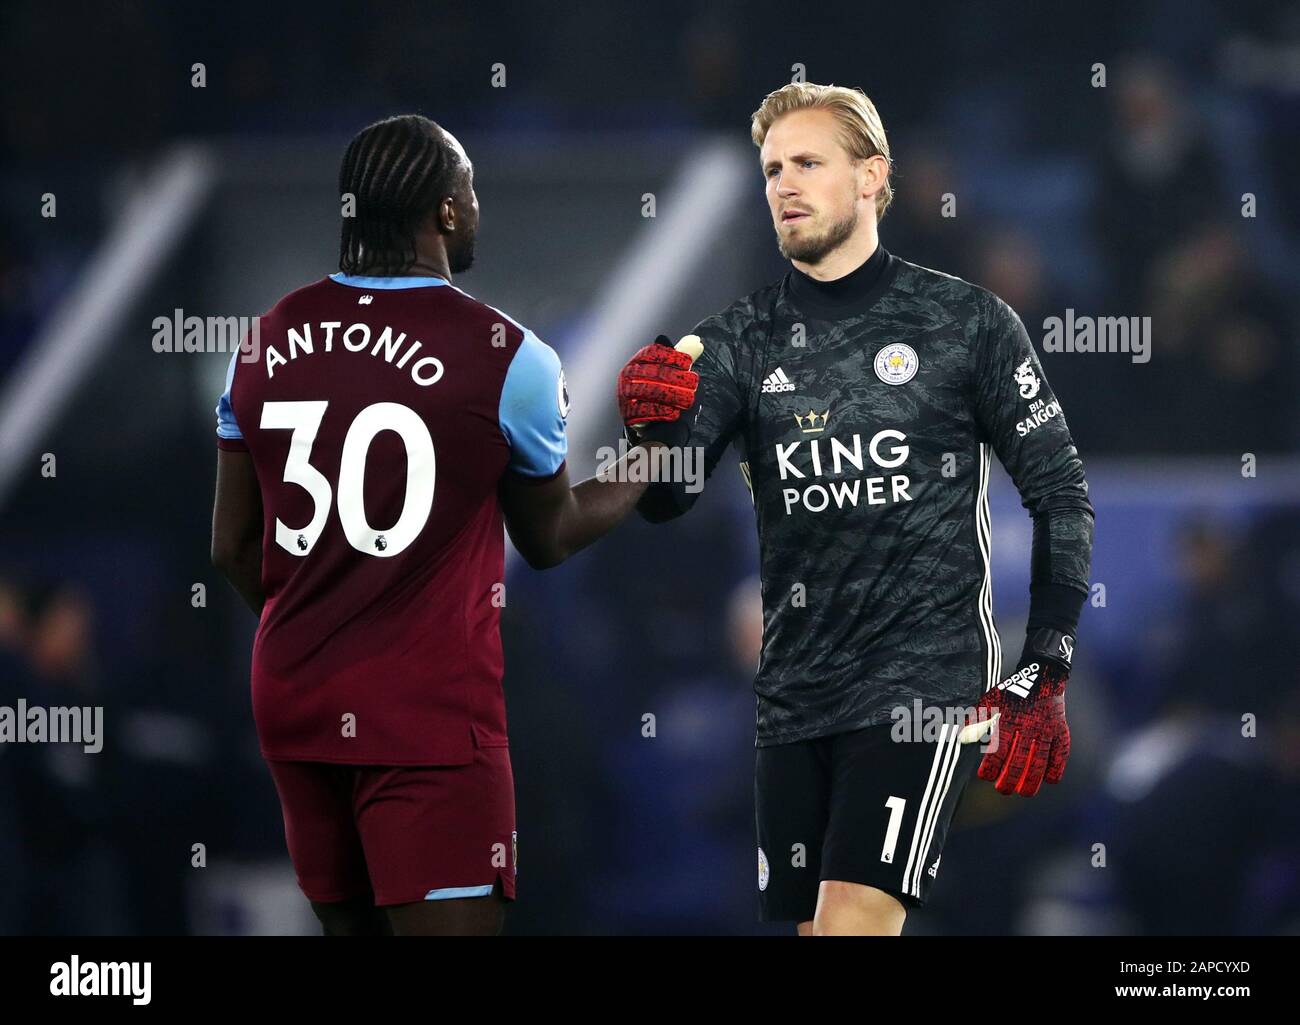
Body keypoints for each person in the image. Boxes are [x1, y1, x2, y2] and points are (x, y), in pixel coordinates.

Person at [616, 82, 1094, 935]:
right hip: (794, 692)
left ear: (872, 178)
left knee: (850, 925)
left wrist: (1044, 667)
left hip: (920, 685)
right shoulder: (737, 340)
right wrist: (651, 429)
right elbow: (668, 500)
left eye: (808, 163)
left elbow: (1060, 494)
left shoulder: (966, 323)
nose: (784, 185)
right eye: (770, 169)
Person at [210, 114, 688, 936]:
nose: (476, 203)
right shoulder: (509, 355)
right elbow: (550, 536)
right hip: (427, 721)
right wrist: (651, 459)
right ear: (445, 212)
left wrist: (324, 640)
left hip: (295, 705)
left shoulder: (265, 338)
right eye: (470, 187)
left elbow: (229, 547)